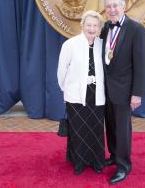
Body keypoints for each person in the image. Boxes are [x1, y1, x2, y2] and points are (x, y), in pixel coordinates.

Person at [101, 0, 145, 184]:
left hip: (124, 90)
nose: (112, 9)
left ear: (124, 6)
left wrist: (137, 93)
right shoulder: (105, 27)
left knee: (122, 129)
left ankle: (123, 165)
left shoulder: (136, 29)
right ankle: (113, 155)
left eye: (115, 6)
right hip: (106, 88)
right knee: (110, 125)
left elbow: (141, 64)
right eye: (109, 6)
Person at [57, 10, 105, 175]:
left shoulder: (102, 45)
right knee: (78, 130)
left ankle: (97, 162)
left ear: (99, 28)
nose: (92, 28)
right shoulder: (70, 44)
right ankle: (78, 162)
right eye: (89, 24)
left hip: (97, 96)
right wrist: (67, 90)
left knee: (95, 129)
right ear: (82, 25)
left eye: (95, 25)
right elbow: (61, 72)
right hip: (76, 96)